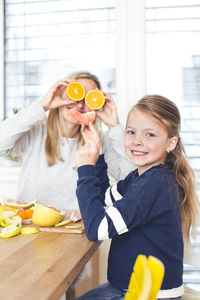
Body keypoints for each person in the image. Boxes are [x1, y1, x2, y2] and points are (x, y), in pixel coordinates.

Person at [74, 95, 199, 300]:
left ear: (171, 143)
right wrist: (97, 157)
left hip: (149, 294)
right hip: (129, 288)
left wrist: (85, 169)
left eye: (150, 134)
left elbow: (97, 229)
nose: (137, 141)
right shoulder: (142, 176)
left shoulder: (154, 184)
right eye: (131, 132)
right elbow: (106, 197)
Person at [0, 71, 133, 210]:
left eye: (88, 98)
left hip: (76, 226)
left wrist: (115, 126)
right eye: (76, 94)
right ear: (63, 94)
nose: (80, 104)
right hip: (31, 223)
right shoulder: (35, 130)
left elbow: (130, 179)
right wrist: (42, 106)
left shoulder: (99, 141)